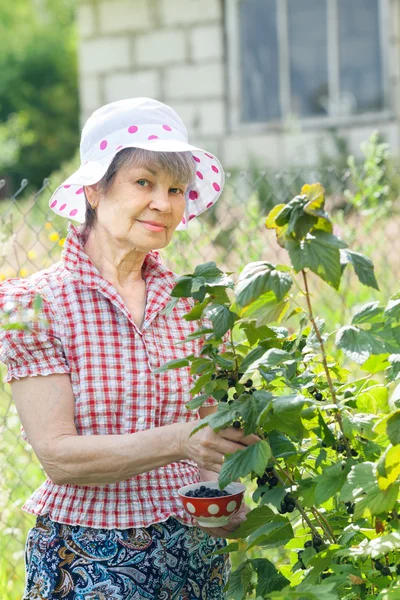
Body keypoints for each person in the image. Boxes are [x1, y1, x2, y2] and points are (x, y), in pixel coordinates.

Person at [0, 98, 260, 599]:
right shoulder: (30, 304)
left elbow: (211, 431)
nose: (165, 202)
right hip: (91, 557)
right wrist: (181, 441)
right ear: (94, 191)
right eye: (145, 182)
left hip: (194, 552)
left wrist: (222, 493)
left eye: (176, 189)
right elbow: (58, 456)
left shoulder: (199, 305)